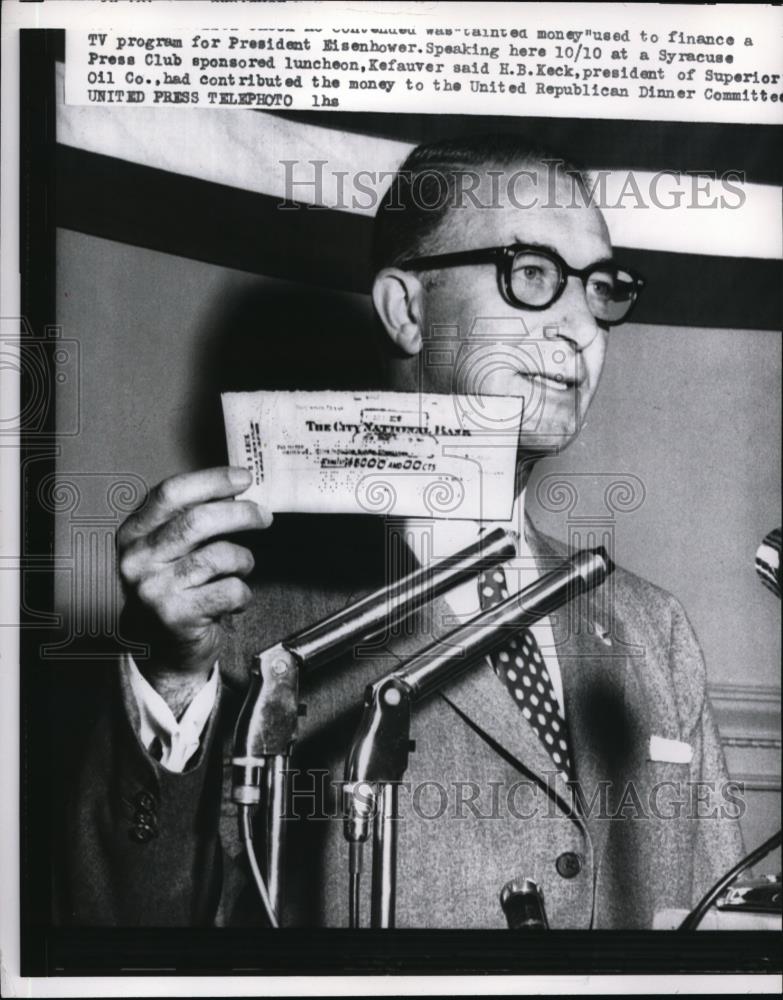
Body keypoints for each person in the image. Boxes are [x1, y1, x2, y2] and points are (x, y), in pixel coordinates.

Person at [54, 134, 744, 929]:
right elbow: (128, 927)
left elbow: (721, 935)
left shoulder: (655, 630)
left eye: (600, 290)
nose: (581, 329)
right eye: (531, 276)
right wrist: (169, 681)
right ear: (406, 309)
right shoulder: (236, 614)